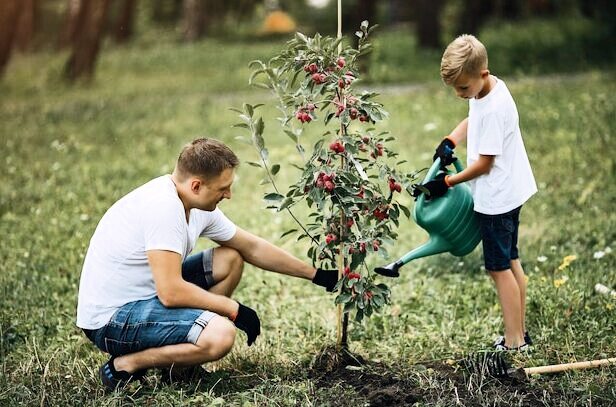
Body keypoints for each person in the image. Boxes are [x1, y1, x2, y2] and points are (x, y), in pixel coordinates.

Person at [76, 138, 338, 391]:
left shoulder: (195, 205)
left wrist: (316, 275)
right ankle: (126, 364)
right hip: (112, 320)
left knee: (231, 259)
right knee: (220, 335)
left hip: (146, 297)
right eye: (223, 188)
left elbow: (252, 247)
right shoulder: (163, 208)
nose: (229, 195)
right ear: (196, 186)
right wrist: (233, 309)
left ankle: (179, 368)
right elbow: (170, 292)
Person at [420, 34, 537, 351]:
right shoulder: (486, 89)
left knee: (498, 268)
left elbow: (485, 164)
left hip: (497, 199)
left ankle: (514, 341)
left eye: (463, 88)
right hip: (508, 190)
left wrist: (445, 183)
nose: (460, 94)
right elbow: (474, 117)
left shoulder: (496, 107)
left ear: (481, 74)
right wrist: (451, 140)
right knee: (511, 261)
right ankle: (520, 333)